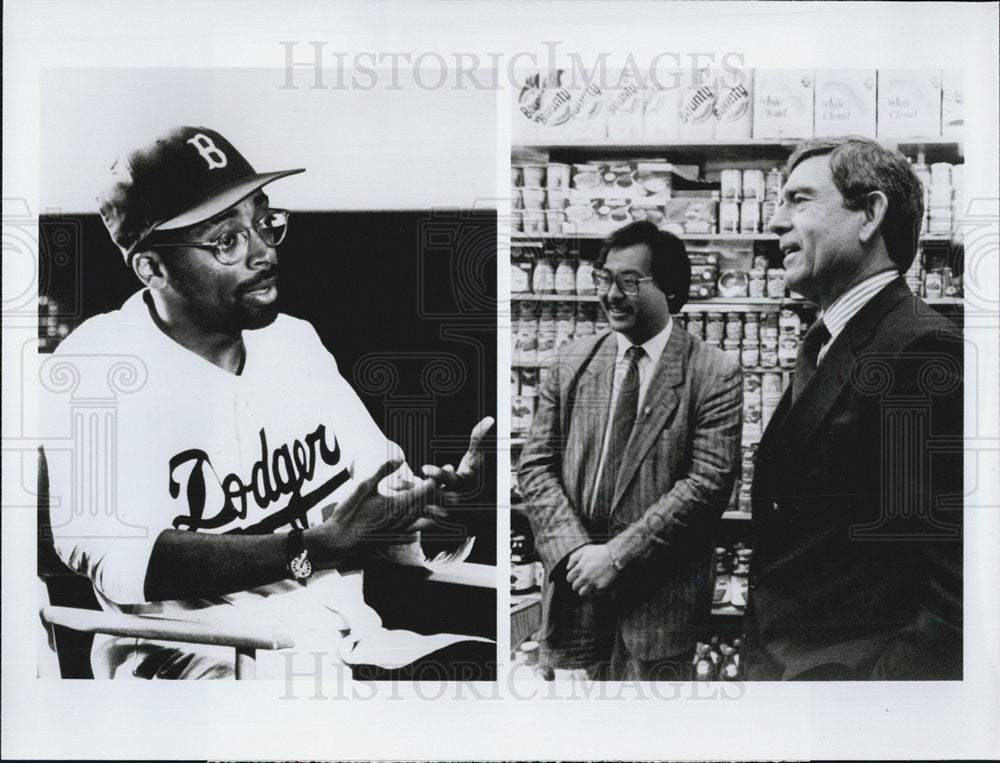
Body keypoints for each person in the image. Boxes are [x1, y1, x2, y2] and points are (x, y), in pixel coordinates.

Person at [41, 125, 493, 679]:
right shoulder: (95, 366)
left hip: (346, 644)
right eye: (225, 240)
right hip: (199, 662)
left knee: (491, 673)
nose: (262, 253)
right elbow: (121, 560)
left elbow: (374, 507)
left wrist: (433, 513)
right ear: (151, 268)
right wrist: (314, 546)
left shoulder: (294, 341)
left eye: (263, 222)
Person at [745, 137, 963, 680]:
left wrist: (877, 705)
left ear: (870, 214)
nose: (775, 222)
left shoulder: (918, 350)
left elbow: (954, 584)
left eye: (798, 200)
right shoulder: (833, 340)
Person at [518, 220, 743, 680]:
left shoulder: (714, 371)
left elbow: (707, 484)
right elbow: (536, 465)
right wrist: (576, 552)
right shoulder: (571, 361)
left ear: (672, 291)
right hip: (575, 594)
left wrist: (617, 556)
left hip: (658, 609)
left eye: (629, 281)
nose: (611, 294)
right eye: (604, 278)